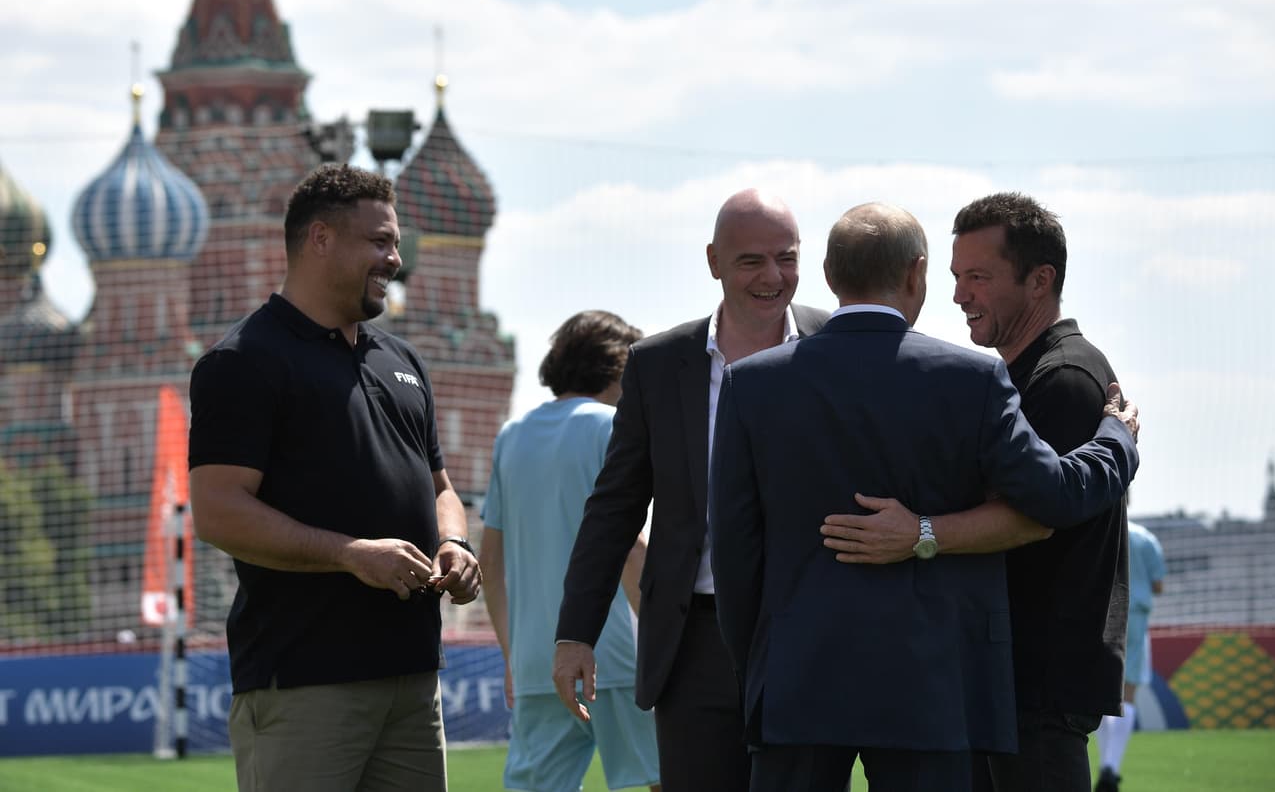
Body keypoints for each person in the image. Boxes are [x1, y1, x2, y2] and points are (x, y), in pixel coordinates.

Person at [709, 202, 1139, 792]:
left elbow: (734, 550)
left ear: (829, 277)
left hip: (796, 680)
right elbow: (1055, 497)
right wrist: (1117, 437)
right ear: (917, 274)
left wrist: (755, 664)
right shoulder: (973, 379)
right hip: (931, 688)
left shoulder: (751, 383)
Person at [188, 163, 481, 792]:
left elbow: (441, 488)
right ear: (320, 239)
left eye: (395, 242)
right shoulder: (243, 361)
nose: (395, 258)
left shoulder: (401, 359)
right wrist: (349, 554)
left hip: (411, 677)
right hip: (304, 681)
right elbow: (217, 511)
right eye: (380, 241)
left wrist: (454, 543)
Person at [551, 189, 830, 791]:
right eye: (750, 260)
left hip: (811, 635)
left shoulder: (834, 345)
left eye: (786, 257)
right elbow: (615, 509)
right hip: (694, 641)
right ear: (713, 261)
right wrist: (576, 632)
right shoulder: (657, 364)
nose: (772, 276)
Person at [479, 310, 661, 792]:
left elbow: (490, 563)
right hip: (616, 657)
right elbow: (625, 548)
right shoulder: (612, 427)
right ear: (620, 367)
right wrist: (670, 648)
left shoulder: (510, 437)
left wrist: (512, 656)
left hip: (538, 660)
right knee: (673, 777)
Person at [1094, 520, 1165, 792]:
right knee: (1129, 692)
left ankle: (1104, 765)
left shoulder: (1100, 531)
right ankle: (1111, 768)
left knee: (1102, 692)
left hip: (1103, 612)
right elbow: (1158, 584)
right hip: (1135, 616)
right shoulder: (1145, 538)